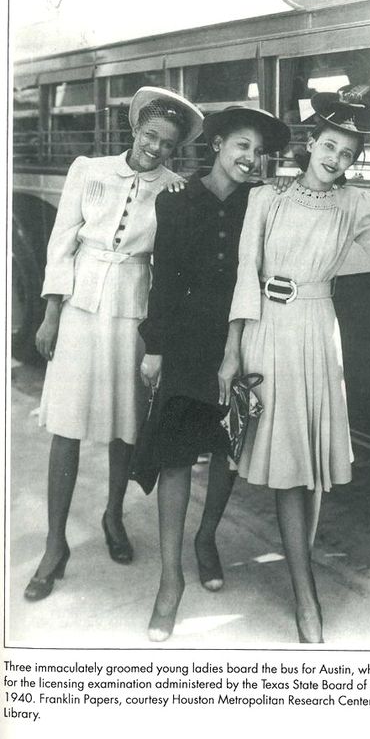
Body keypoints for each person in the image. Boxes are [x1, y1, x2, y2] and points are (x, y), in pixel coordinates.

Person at [218, 92, 370, 643]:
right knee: (289, 466)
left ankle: (299, 575)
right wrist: (233, 349)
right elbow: (245, 274)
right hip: (267, 330)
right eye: (329, 146)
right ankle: (304, 589)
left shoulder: (357, 203)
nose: (335, 159)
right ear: (312, 144)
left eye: (347, 153)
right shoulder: (265, 198)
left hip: (317, 331)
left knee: (310, 464)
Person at [24, 87, 204, 602]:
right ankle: (55, 545)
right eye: (150, 136)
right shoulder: (89, 169)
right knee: (67, 425)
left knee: (126, 426)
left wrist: (161, 339)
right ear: (134, 130)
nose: (155, 149)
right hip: (81, 307)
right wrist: (51, 312)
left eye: (167, 144)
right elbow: (63, 240)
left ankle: (113, 516)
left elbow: (169, 266)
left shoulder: (175, 190)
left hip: (134, 313)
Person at [139, 106, 291, 641]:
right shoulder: (175, 201)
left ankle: (207, 538)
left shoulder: (262, 203)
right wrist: (154, 347)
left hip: (243, 340)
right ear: (219, 143)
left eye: (259, 152)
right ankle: (169, 582)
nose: (251, 159)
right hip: (185, 343)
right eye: (242, 146)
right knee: (177, 456)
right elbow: (161, 281)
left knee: (229, 448)